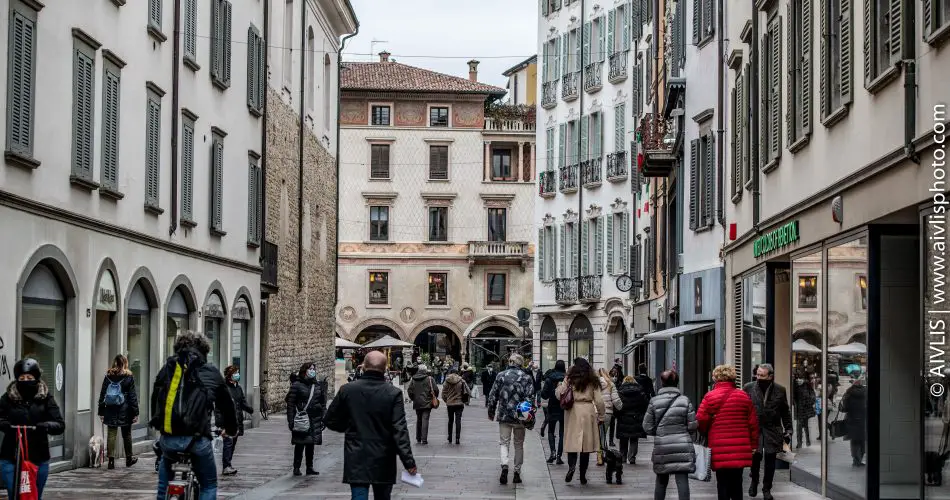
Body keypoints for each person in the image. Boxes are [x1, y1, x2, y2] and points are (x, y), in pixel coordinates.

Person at [152, 331, 238, 500]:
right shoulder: (211, 371)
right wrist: (230, 428)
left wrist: (158, 424)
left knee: (163, 483)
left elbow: (156, 398)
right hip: (198, 440)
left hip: (169, 440)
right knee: (209, 484)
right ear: (204, 351)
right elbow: (227, 405)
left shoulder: (168, 368)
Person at [325, 350, 417, 500]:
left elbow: (330, 419)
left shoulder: (347, 390)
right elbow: (399, 429)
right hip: (384, 457)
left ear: (363, 366)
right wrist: (409, 462)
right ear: (385, 369)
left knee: (359, 496)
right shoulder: (393, 393)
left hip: (356, 455)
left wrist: (348, 427)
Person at [0, 358, 64, 500]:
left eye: (30, 377)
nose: (26, 380)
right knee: (15, 494)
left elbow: (59, 424)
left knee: (34, 494)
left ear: (36, 378)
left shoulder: (46, 398)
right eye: (22, 378)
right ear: (17, 378)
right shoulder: (8, 398)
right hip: (11, 456)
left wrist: (45, 426)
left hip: (38, 456)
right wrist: (4, 424)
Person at [697, 364, 759, 500]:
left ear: (715, 379)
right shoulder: (743, 396)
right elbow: (753, 425)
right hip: (740, 447)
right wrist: (754, 446)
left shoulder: (710, 397)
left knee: (722, 482)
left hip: (719, 447)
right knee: (737, 482)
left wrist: (707, 427)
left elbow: (700, 419)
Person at [642, 370, 696, 500]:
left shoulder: (654, 401)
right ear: (677, 383)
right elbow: (693, 425)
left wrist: (660, 432)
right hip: (682, 445)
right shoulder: (685, 400)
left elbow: (647, 427)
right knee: (682, 480)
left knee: (661, 480)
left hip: (662, 446)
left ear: (662, 382)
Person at [743, 364, 792, 500]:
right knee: (755, 458)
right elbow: (743, 409)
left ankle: (766, 488)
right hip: (755, 429)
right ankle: (754, 481)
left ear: (770, 376)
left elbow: (785, 411)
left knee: (770, 460)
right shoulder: (748, 387)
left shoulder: (780, 390)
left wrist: (789, 429)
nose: (759, 377)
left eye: (762, 375)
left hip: (773, 429)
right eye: (757, 374)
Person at [487, 352, 536, 485]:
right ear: (520, 364)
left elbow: (493, 396)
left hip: (504, 415)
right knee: (519, 444)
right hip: (520, 417)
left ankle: (504, 466)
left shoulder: (500, 375)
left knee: (504, 442)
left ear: (509, 362)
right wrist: (530, 418)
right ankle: (517, 472)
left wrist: (491, 412)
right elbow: (530, 399)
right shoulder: (526, 377)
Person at [555, 357, 606, 485]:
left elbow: (559, 394)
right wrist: (601, 416)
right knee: (585, 446)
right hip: (588, 409)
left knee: (572, 442)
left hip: (573, 411)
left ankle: (571, 466)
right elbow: (599, 401)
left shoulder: (570, 378)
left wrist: (561, 385)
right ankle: (582, 475)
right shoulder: (592, 379)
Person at [97, 354, 139, 469]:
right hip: (125, 409)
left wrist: (101, 411)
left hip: (110, 409)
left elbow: (102, 394)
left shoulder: (108, 376)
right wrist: (135, 413)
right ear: (125, 363)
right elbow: (132, 397)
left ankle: (111, 461)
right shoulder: (128, 377)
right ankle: (129, 459)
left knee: (111, 434)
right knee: (127, 434)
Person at [285, 362, 326, 476]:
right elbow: (290, 403)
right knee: (300, 443)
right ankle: (296, 467)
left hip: (315, 419)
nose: (312, 371)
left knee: (311, 443)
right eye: (310, 369)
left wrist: (324, 417)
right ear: (304, 371)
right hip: (302, 418)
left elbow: (322, 402)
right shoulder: (297, 385)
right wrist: (291, 420)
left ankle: (310, 467)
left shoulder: (317, 385)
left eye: (314, 369)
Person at [216, 365, 253, 476]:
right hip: (227, 420)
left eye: (237, 372)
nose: (237, 374)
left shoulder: (238, 388)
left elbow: (241, 401)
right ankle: (226, 466)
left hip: (237, 420)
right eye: (235, 373)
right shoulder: (224, 389)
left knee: (233, 444)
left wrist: (249, 408)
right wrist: (220, 424)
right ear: (229, 376)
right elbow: (218, 407)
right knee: (228, 443)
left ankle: (228, 464)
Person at [615, 375, 649, 464]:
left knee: (623, 438)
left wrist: (617, 415)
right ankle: (632, 457)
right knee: (634, 438)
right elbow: (645, 404)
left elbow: (617, 406)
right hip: (636, 418)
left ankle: (623, 457)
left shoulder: (620, 392)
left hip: (623, 418)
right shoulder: (640, 392)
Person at [540, 360, 567, 464]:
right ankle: (559, 456)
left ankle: (553, 453)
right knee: (562, 432)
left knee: (551, 430)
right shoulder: (566, 378)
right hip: (564, 407)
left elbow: (544, 395)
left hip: (552, 406)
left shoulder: (550, 378)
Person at [407, 364, 439, 445]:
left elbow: (410, 390)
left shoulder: (413, 379)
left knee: (419, 419)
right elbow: (436, 390)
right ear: (425, 371)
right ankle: (424, 439)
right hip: (427, 402)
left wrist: (413, 398)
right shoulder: (430, 379)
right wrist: (434, 397)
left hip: (417, 402)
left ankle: (418, 438)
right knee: (425, 419)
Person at [841, 372, 868, 467]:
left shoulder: (849, 392)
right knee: (862, 440)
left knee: (855, 441)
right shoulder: (866, 391)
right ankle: (860, 458)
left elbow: (844, 408)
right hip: (864, 420)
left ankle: (856, 460)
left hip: (852, 419)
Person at [597, 367, 622, 460]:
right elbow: (616, 400)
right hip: (607, 412)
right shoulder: (611, 384)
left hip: (596, 412)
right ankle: (601, 453)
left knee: (599, 434)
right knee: (603, 433)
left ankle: (600, 455)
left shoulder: (595, 385)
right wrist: (621, 407)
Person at [441, 367, 470, 444]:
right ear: (457, 373)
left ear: (450, 373)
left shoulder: (447, 381)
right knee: (458, 421)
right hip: (459, 403)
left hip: (450, 403)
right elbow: (468, 391)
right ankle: (457, 438)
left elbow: (443, 393)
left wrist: (446, 400)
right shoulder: (462, 381)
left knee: (450, 421)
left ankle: (450, 437)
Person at [793, 374, 817, 448]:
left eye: (800, 379)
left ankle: (807, 440)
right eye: (798, 379)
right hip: (798, 408)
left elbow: (813, 394)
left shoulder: (806, 384)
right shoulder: (794, 385)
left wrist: (810, 401)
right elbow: (793, 396)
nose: (799, 380)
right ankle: (799, 442)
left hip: (805, 408)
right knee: (799, 426)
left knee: (805, 425)